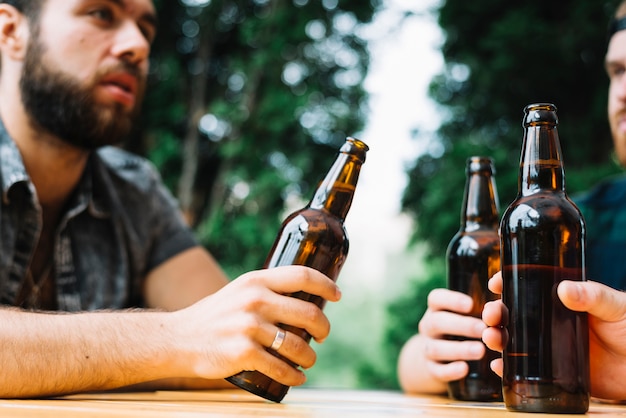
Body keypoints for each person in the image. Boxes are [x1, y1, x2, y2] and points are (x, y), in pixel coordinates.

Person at [0, 0, 342, 398]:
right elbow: (195, 340)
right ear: (10, 32)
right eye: (101, 14)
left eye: (145, 29)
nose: (137, 46)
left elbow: (240, 345)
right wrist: (172, 339)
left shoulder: (134, 191)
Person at [398, 0, 626, 397]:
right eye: (618, 72)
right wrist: (443, 350)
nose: (623, 92)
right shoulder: (571, 218)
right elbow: (413, 361)